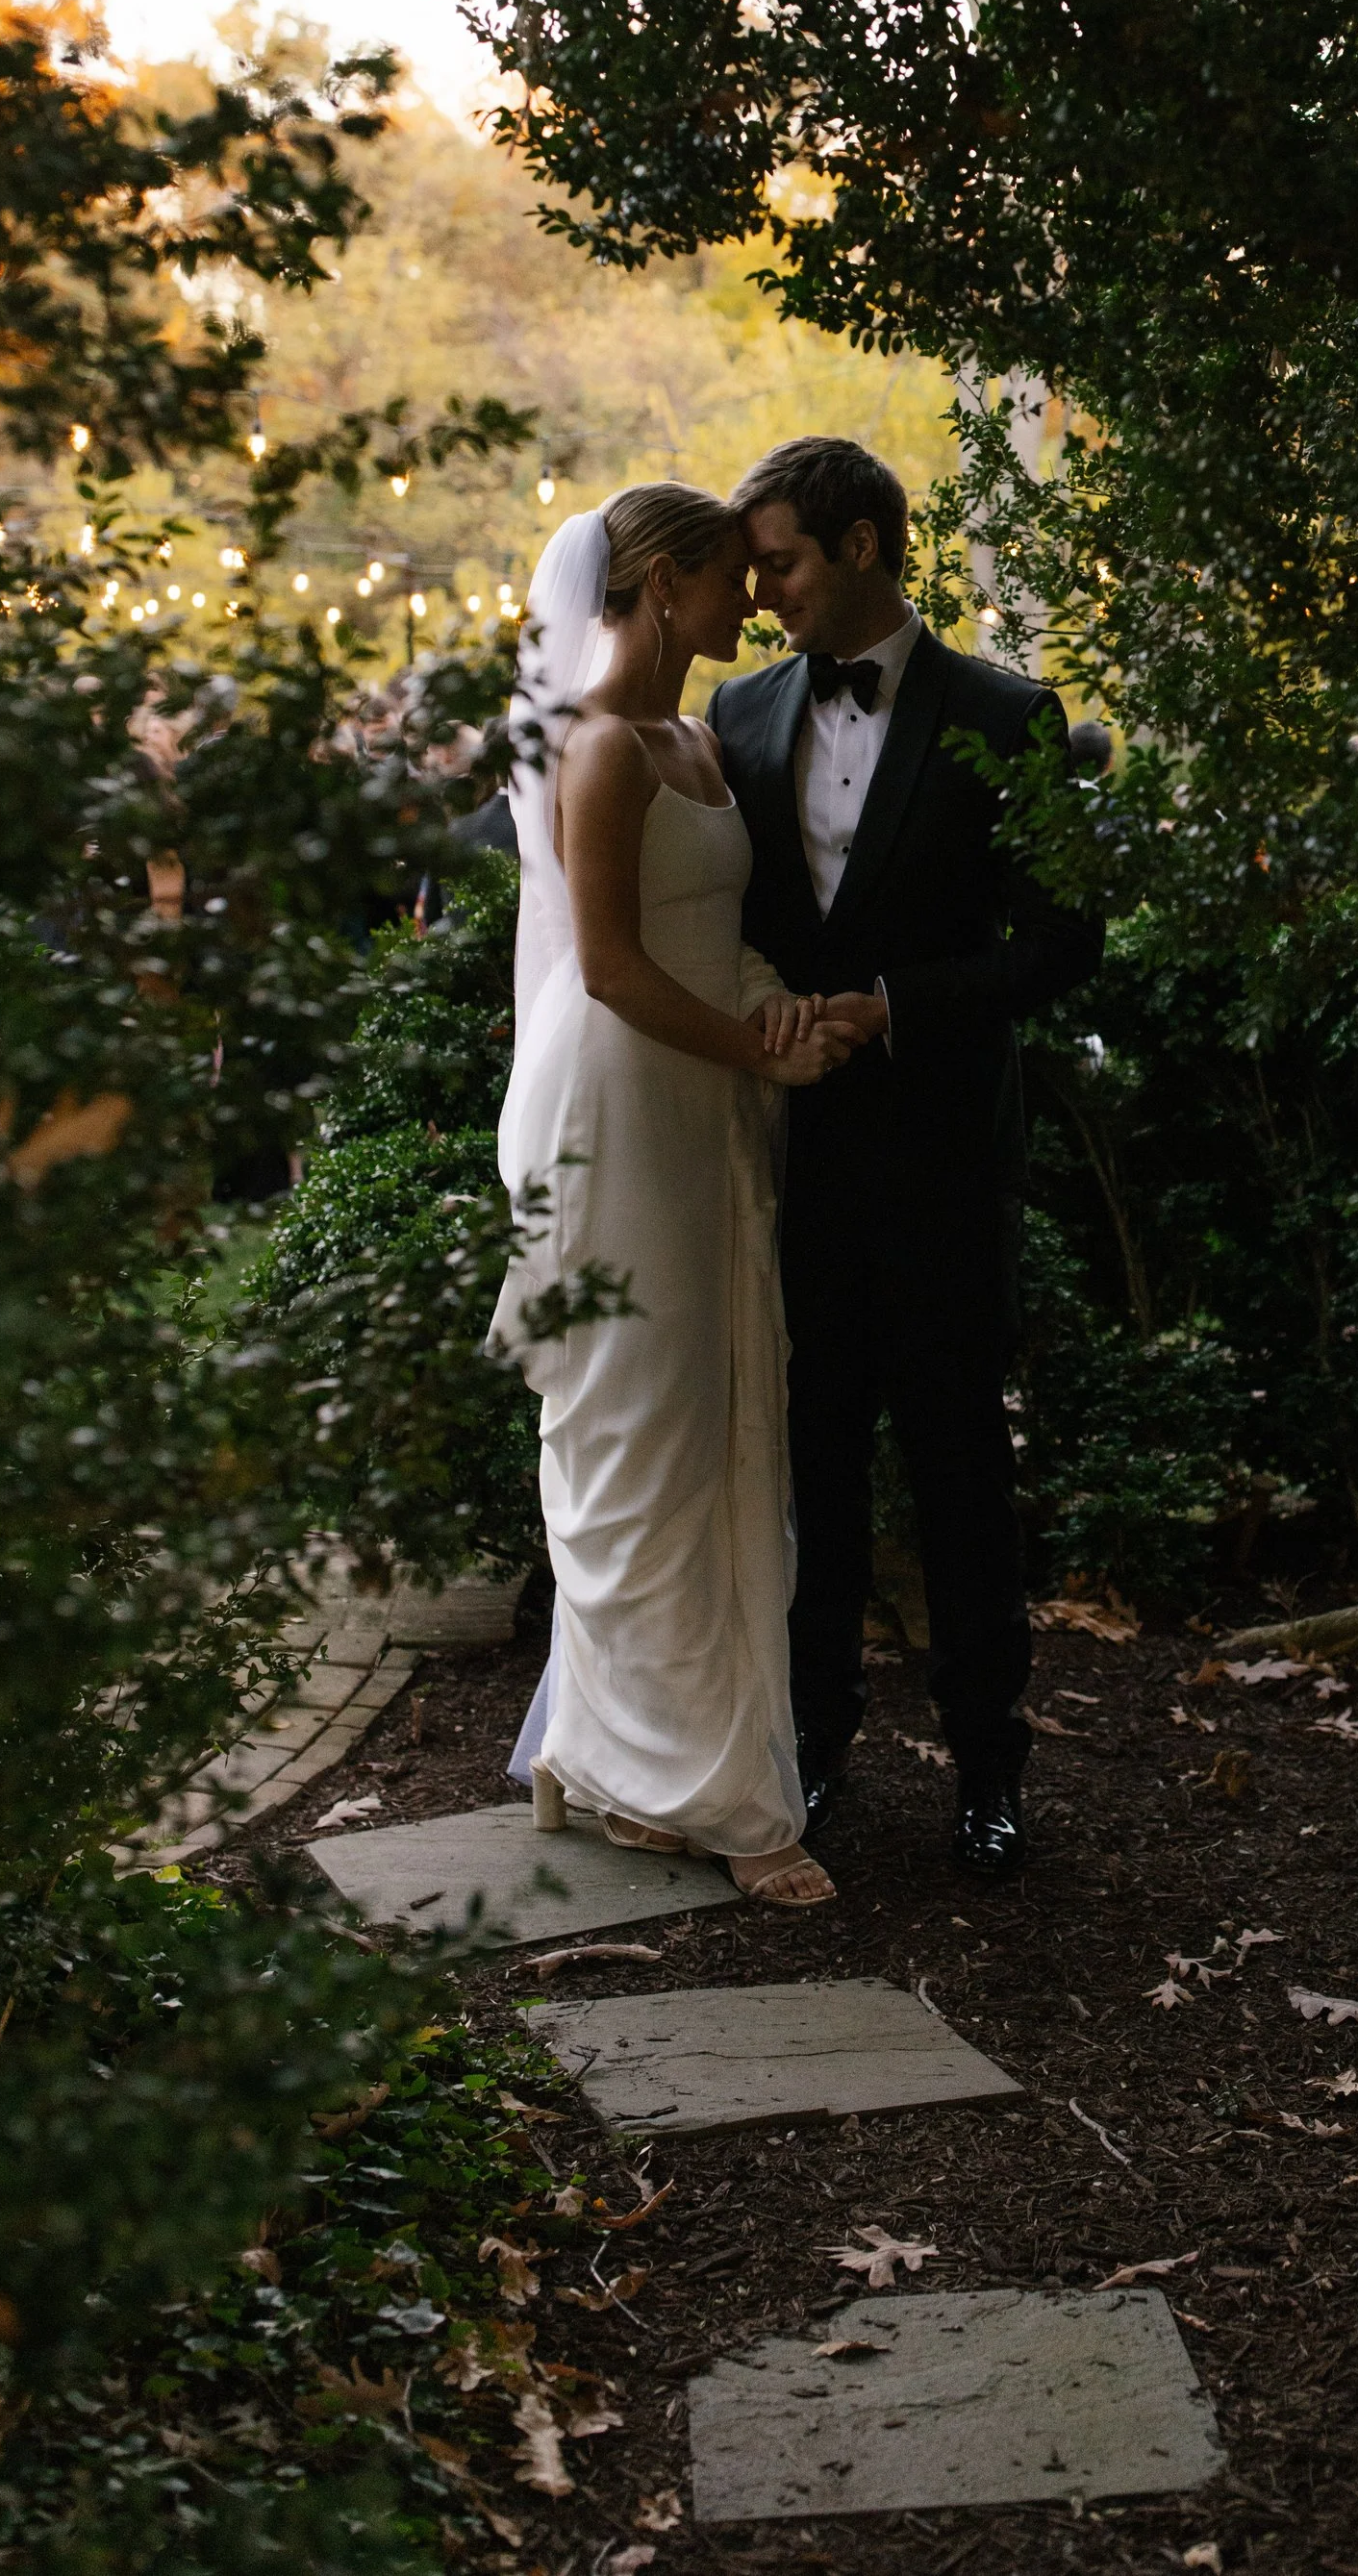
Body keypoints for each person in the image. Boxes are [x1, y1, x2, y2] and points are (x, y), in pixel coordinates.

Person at [710, 437, 1104, 1880]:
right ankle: (810, 1759)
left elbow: (1066, 942)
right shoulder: (739, 715)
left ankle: (992, 1777)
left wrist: (894, 1013)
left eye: (784, 563)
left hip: (942, 1166)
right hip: (786, 1166)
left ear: (863, 546)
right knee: (810, 1470)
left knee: (959, 1480)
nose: (764, 598)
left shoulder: (1010, 714)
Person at [491, 485, 858, 1909]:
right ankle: (692, 1787)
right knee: (638, 1430)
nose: (749, 603)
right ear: (655, 588)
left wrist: (786, 1018)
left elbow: (709, 941)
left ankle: (614, 1758)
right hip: (626, 1104)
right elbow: (610, 969)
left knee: (713, 1422)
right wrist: (755, 1054)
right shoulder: (596, 751)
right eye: (724, 582)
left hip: (704, 1095)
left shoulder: (699, 739)